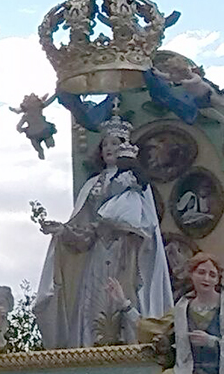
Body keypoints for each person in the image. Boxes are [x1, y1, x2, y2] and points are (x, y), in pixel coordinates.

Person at [33, 116, 172, 349]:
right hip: (98, 253)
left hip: (126, 254)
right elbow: (85, 232)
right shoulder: (92, 185)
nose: (110, 148)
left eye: (115, 144)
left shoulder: (134, 183)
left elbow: (146, 225)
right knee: (93, 308)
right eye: (106, 144)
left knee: (126, 302)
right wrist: (62, 231)